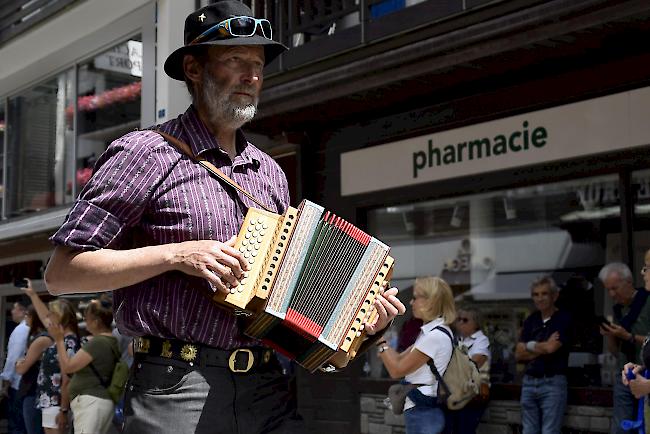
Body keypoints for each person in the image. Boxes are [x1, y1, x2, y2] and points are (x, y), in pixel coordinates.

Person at [43, 2, 406, 433]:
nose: (252, 75)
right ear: (194, 69)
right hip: (176, 388)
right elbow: (62, 274)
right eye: (235, 59)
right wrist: (176, 254)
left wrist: (359, 326)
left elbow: (284, 314)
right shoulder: (144, 152)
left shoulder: (269, 172)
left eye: (258, 64)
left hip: (267, 388)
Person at [377, 276, 456, 434]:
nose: (411, 302)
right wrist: (380, 337)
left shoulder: (434, 336)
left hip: (424, 411)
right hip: (424, 408)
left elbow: (396, 370)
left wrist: (378, 340)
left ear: (430, 300)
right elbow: (399, 359)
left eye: (415, 297)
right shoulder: (433, 331)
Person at [47, 298, 118, 434]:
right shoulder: (109, 340)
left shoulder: (98, 343)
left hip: (91, 402)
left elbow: (67, 367)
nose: (85, 324)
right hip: (96, 402)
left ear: (96, 322)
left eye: (87, 319)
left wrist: (59, 339)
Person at [515, 276, 571, 434]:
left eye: (544, 293)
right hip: (529, 382)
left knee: (550, 431)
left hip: (552, 383)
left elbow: (551, 348)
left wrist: (529, 347)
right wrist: (540, 346)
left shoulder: (563, 319)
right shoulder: (531, 320)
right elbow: (518, 354)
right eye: (536, 294)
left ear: (555, 296)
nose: (540, 298)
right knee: (528, 431)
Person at [599, 262, 650, 434]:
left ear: (628, 282)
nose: (612, 294)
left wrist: (629, 336)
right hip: (625, 374)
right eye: (608, 290)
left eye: (615, 288)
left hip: (647, 373)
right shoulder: (618, 310)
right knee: (621, 428)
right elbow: (615, 352)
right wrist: (611, 335)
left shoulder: (647, 300)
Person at [22, 285, 80, 434]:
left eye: (51, 314)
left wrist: (63, 410)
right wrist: (33, 295)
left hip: (58, 404)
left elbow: (68, 378)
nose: (48, 318)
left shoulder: (69, 342)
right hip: (51, 402)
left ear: (60, 317)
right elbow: (43, 316)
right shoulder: (60, 338)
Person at [444, 307, 491, 434]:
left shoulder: (482, 340)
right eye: (458, 319)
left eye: (465, 320)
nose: (460, 323)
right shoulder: (457, 339)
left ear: (476, 323)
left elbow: (474, 363)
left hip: (472, 393)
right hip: (455, 391)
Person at [15, 304, 49, 434]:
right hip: (35, 391)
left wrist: (19, 363)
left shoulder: (40, 339)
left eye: (27, 315)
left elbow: (21, 368)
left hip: (34, 392)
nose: (25, 318)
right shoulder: (37, 337)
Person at [1, 296, 30, 434]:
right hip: (27, 383)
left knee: (17, 425)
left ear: (23, 312)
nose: (12, 311)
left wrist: (6, 383)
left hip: (18, 383)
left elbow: (13, 358)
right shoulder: (29, 329)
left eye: (15, 308)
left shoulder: (20, 330)